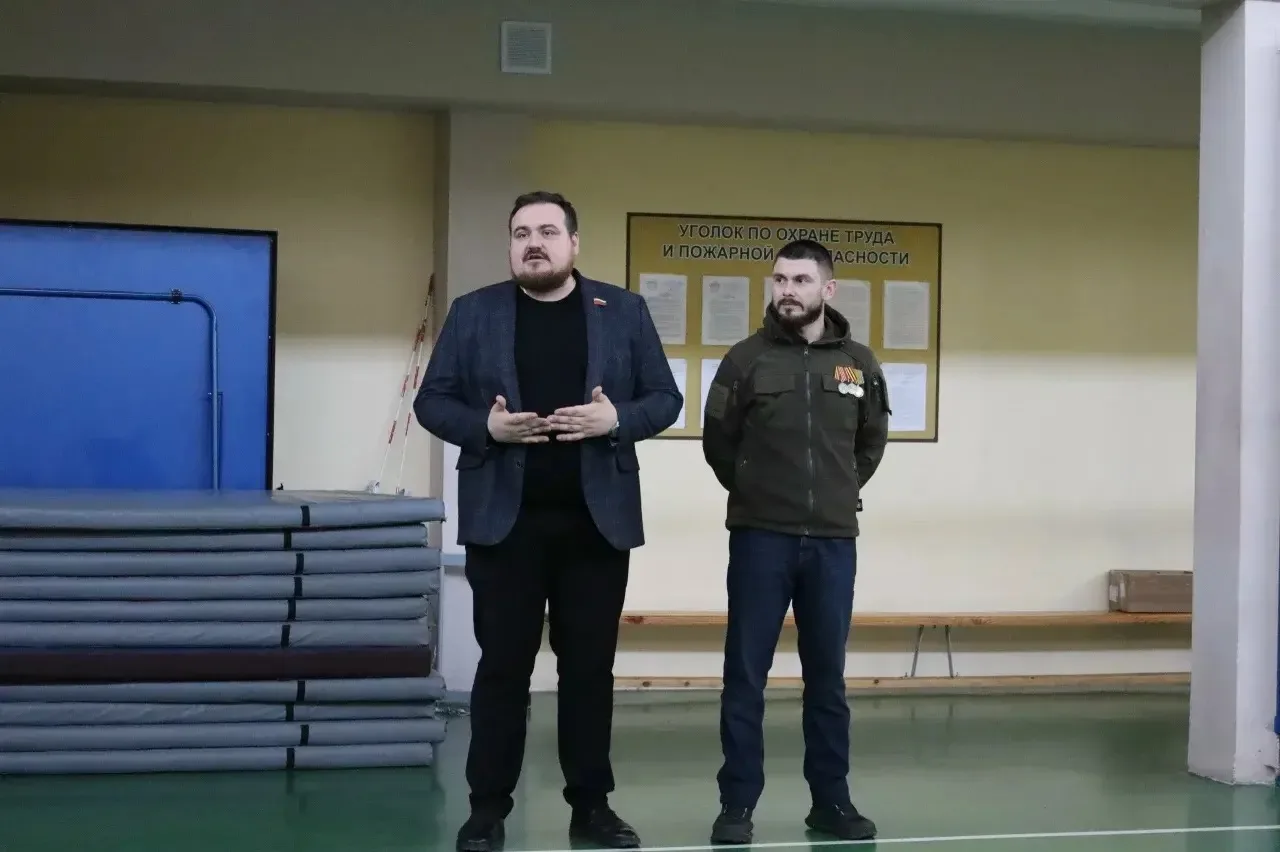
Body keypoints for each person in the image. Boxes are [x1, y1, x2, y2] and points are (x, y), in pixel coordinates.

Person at [414, 190, 683, 852]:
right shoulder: (473, 312)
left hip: (596, 526)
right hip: (506, 525)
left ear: (573, 243)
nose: (532, 243)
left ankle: (592, 805)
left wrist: (616, 418)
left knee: (589, 671)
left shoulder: (623, 311)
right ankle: (487, 809)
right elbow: (432, 402)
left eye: (546, 231)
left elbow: (665, 398)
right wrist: (487, 429)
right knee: (502, 670)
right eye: (520, 233)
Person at [700, 239, 890, 844]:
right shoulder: (745, 360)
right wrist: (758, 493)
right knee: (745, 676)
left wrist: (836, 491)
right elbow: (717, 442)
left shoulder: (858, 364)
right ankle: (737, 806)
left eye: (801, 280)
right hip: (761, 539)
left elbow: (871, 443)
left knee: (827, 680)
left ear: (827, 290)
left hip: (833, 542)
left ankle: (831, 803)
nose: (787, 290)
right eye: (780, 279)